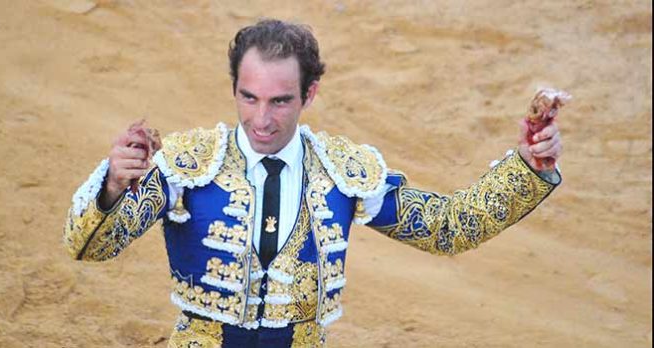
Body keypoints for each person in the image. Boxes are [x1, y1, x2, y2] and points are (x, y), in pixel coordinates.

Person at [63, 19, 563, 347]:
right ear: (234, 88)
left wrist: (527, 168)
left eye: (280, 101)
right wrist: (110, 189)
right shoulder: (189, 165)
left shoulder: (343, 172)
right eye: (249, 97)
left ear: (311, 93)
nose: (261, 119)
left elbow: (448, 228)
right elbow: (88, 249)